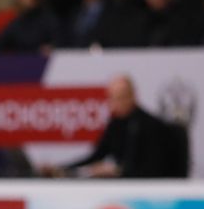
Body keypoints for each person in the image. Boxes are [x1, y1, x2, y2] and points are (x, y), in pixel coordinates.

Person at [45, 75, 187, 179]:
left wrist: (117, 171)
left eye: (120, 97)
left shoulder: (150, 126)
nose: (114, 103)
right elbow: (96, 156)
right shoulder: (115, 124)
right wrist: (62, 169)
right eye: (111, 98)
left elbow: (151, 170)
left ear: (132, 97)